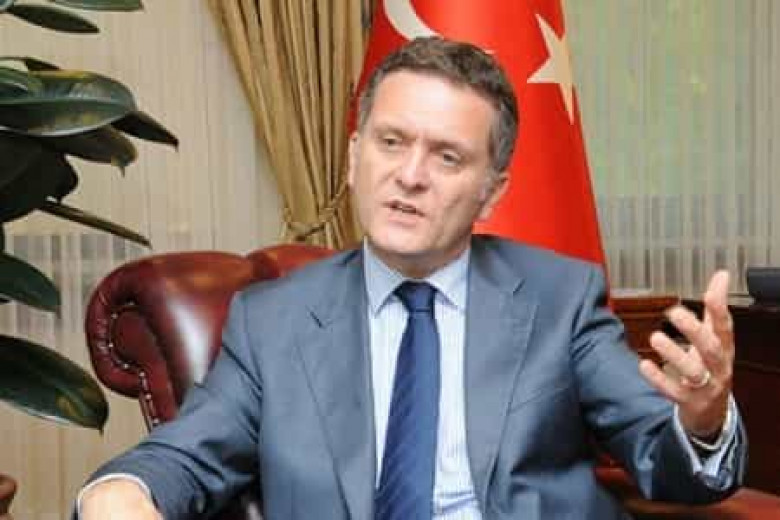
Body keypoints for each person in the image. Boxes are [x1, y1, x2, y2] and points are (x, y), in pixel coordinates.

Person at [78, 37, 745, 520]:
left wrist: (703, 421)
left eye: (447, 156)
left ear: (492, 192)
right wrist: (120, 492)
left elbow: (666, 456)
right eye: (391, 142)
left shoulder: (558, 299)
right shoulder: (273, 321)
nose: (410, 175)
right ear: (353, 157)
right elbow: (184, 457)